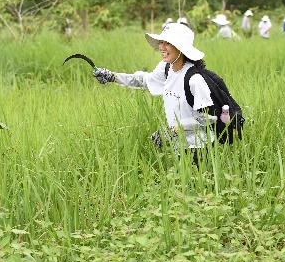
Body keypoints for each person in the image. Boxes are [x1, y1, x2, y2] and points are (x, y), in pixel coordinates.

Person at [91, 22, 222, 165]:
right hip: (179, 145)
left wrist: (173, 130)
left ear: (181, 48)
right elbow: (143, 80)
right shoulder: (166, 68)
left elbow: (208, 118)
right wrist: (112, 76)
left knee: (194, 185)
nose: (161, 47)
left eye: (168, 43)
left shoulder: (195, 79)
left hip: (199, 147)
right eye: (161, 42)